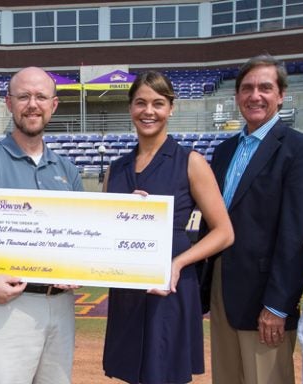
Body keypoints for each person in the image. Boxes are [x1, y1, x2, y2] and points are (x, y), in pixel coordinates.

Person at [0, 66, 82, 384]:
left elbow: (80, 238)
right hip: (4, 305)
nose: (32, 104)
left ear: (54, 105)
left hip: (59, 306)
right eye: (23, 96)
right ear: (8, 103)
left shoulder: (67, 170)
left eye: (40, 97)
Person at [202, 54, 303, 384]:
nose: (254, 96)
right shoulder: (223, 151)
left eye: (265, 87)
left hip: (265, 299)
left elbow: (297, 234)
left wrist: (277, 305)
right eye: (247, 88)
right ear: (236, 96)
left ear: (281, 95)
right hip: (223, 290)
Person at [102, 71, 234, 384]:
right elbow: (104, 230)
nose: (149, 111)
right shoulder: (116, 169)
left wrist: (178, 263)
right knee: (132, 372)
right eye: (141, 103)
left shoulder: (191, 162)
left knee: (166, 374)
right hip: (128, 287)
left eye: (158, 103)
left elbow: (224, 232)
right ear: (130, 108)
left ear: (171, 108)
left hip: (171, 286)